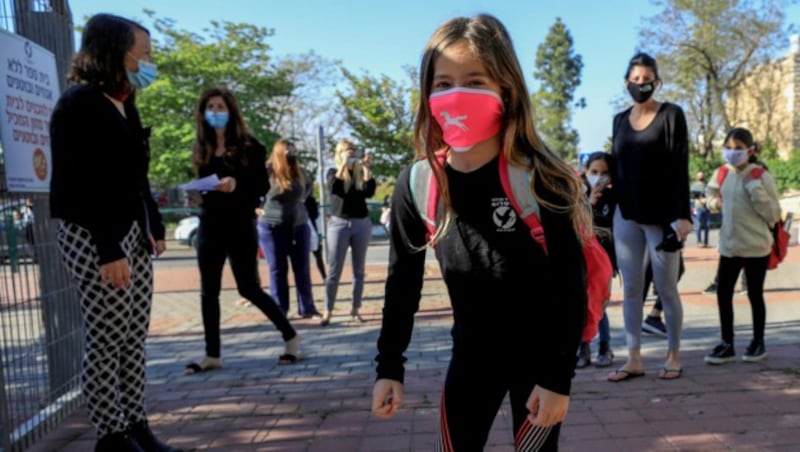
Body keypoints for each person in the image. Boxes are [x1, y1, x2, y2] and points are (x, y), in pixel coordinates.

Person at [371, 14, 589, 450]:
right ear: (427, 93)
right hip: (470, 359)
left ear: (505, 89)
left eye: (475, 81)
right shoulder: (418, 183)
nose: (458, 95)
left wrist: (557, 379)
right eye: (443, 83)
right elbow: (402, 284)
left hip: (540, 361)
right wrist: (389, 367)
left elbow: (571, 285)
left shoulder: (541, 177)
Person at [49, 13, 181, 451]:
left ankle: (136, 425)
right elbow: (81, 182)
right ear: (114, 50)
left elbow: (133, 176)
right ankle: (111, 436)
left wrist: (154, 224)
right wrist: (108, 248)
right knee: (107, 336)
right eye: (142, 51)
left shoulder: (125, 100)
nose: (149, 59)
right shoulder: (78, 105)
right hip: (95, 236)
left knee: (132, 337)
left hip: (132, 235)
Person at [185, 87, 301, 375]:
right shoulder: (202, 147)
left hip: (239, 223)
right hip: (209, 224)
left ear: (231, 111)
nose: (215, 111)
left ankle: (290, 337)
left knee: (248, 287)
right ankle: (212, 354)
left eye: (220, 106)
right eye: (209, 107)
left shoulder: (251, 146)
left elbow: (261, 187)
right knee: (207, 291)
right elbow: (203, 184)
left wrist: (236, 184)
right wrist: (196, 194)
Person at [608, 52, 692, 382]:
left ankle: (673, 355)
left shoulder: (671, 115)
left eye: (647, 79)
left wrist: (682, 215)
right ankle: (634, 358)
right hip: (626, 214)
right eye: (636, 79)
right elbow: (617, 167)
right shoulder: (618, 120)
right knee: (630, 289)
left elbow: (679, 164)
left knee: (667, 289)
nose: (641, 85)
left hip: (662, 218)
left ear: (657, 81)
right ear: (626, 82)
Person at [704, 128, 780, 364]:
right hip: (729, 246)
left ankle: (758, 342)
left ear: (749, 149)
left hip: (756, 247)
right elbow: (709, 197)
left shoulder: (760, 175)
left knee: (755, 295)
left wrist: (755, 189)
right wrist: (715, 202)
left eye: (738, 148)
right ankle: (727, 343)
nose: (733, 152)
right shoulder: (721, 173)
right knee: (723, 295)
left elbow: (774, 213)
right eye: (729, 147)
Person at [257, 139, 321, 318]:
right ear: (279, 153)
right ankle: (280, 309)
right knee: (277, 269)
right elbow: (253, 190)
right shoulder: (268, 170)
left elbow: (307, 190)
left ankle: (307, 308)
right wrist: (257, 206)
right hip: (272, 226)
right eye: (288, 152)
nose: (292, 155)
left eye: (294, 151)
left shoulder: (300, 172)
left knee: (302, 268)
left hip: (298, 225)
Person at [320, 139, 376, 326]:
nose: (352, 153)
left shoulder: (360, 173)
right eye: (348, 150)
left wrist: (367, 168)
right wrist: (344, 163)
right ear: (340, 153)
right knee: (334, 271)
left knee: (358, 271)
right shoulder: (332, 172)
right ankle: (328, 310)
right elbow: (334, 188)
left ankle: (355, 309)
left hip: (361, 222)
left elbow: (370, 192)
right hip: (339, 223)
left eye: (354, 149)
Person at [576, 151, 616, 369]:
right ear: (585, 171)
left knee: (600, 304)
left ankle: (605, 347)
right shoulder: (578, 195)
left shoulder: (613, 198)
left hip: (605, 260)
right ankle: (584, 347)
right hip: (583, 259)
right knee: (583, 302)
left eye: (604, 173)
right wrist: (589, 202)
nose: (599, 177)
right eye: (594, 172)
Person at [304, 193, 327, 280]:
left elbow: (316, 214)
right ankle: (324, 277)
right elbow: (316, 214)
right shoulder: (308, 199)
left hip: (311, 230)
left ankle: (324, 277)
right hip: (305, 229)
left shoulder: (309, 199)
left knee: (317, 255)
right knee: (316, 256)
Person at [692, 171, 711, 248]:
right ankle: (699, 242)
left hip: (707, 208)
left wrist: (707, 200)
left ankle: (706, 242)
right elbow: (694, 197)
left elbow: (711, 195)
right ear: (697, 177)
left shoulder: (707, 185)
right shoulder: (694, 186)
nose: (701, 177)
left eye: (702, 175)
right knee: (698, 225)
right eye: (699, 176)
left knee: (707, 225)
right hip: (699, 208)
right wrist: (700, 201)